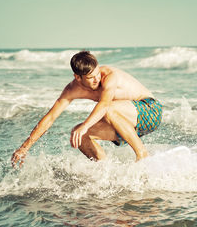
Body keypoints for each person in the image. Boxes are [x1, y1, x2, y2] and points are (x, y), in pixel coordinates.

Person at [11, 51, 162, 167]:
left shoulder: (109, 75)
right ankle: (104, 169)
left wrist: (85, 125)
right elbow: (50, 117)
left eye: (97, 73)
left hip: (150, 110)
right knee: (79, 134)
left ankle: (142, 155)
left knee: (105, 110)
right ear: (78, 77)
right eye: (91, 77)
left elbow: (104, 104)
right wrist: (25, 147)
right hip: (126, 124)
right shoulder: (72, 89)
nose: (97, 79)